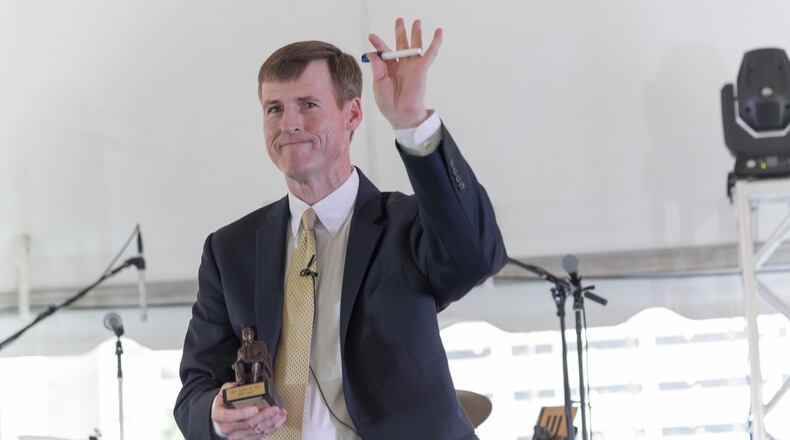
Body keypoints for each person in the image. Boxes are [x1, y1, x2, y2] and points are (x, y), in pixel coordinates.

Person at [174, 18, 507, 440]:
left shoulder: (405, 225)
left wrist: (412, 122)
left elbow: (477, 255)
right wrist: (215, 416)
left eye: (308, 105)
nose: (287, 123)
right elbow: (194, 393)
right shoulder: (229, 249)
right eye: (274, 108)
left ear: (352, 113)